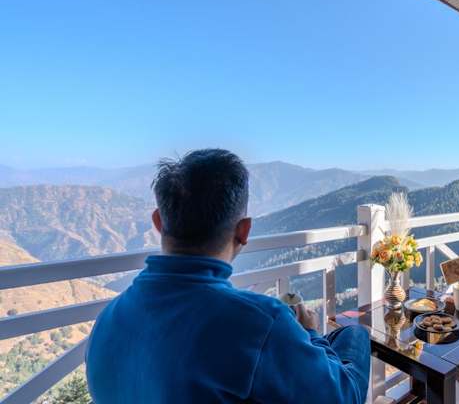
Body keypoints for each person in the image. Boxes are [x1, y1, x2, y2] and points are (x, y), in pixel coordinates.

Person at [86, 149, 370, 404]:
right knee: (353, 333)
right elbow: (343, 397)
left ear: (158, 222)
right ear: (244, 231)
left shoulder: (107, 320)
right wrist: (310, 334)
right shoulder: (259, 323)